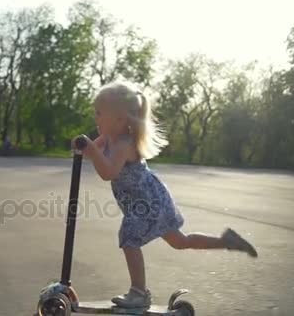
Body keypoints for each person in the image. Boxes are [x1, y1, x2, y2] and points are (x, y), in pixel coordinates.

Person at [72, 82, 257, 309]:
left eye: (99, 113)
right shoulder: (109, 138)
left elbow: (107, 172)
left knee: (129, 236)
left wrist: (90, 149)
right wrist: (85, 149)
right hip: (150, 201)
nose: (95, 118)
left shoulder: (124, 143)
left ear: (120, 119)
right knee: (181, 241)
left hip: (146, 204)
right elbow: (95, 154)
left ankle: (139, 292)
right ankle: (226, 241)